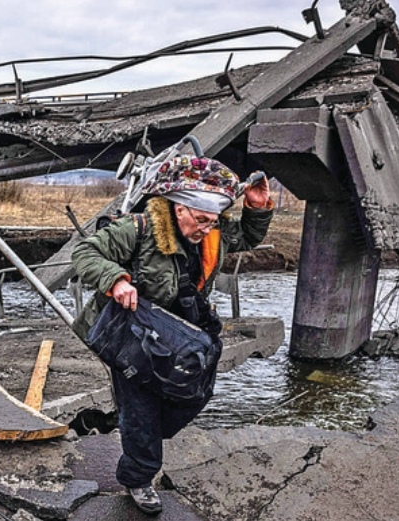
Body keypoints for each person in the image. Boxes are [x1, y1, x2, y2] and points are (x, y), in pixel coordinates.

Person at [71, 155, 273, 515]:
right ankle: (138, 477)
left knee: (193, 396)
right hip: (135, 333)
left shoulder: (213, 231)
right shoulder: (139, 228)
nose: (207, 230)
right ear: (178, 209)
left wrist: (258, 209)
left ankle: (115, 426)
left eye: (213, 222)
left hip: (183, 333)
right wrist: (115, 279)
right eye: (200, 220)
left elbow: (245, 237)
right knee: (140, 408)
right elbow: (86, 252)